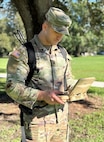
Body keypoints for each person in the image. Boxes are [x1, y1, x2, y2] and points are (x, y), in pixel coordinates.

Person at [5, 7, 75, 142]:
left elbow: (68, 80)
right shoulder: (24, 53)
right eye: (56, 31)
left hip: (61, 123)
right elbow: (11, 86)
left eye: (63, 33)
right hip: (37, 125)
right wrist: (42, 95)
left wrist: (76, 89)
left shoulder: (62, 52)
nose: (60, 36)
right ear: (45, 26)